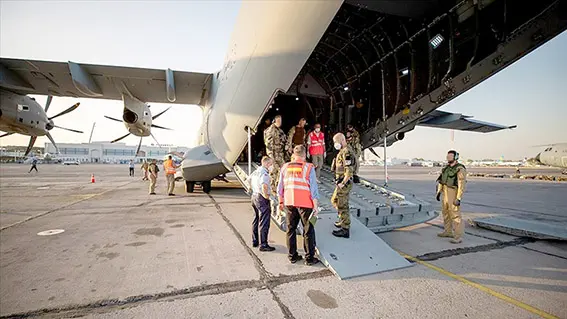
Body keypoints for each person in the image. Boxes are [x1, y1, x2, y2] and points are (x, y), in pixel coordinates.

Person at [278, 145, 320, 265]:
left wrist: (280, 202)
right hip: (305, 203)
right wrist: (315, 206)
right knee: (308, 230)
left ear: (294, 155)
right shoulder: (308, 167)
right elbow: (313, 189)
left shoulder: (284, 167)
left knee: (290, 229)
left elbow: (279, 187)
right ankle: (309, 258)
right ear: (304, 155)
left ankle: (292, 256)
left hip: (289, 202)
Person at [436, 150, 467, 244]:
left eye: (450, 156)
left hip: (453, 192)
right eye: (447, 156)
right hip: (445, 192)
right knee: (445, 213)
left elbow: (461, 185)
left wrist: (458, 198)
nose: (448, 158)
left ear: (455, 157)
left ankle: (458, 237)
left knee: (455, 215)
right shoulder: (446, 168)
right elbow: (441, 181)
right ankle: (448, 231)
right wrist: (438, 192)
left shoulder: (460, 169)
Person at [249, 156, 276, 251]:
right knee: (264, 221)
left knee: (256, 219)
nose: (272, 166)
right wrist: (266, 196)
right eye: (271, 164)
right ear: (268, 164)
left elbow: (249, 180)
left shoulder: (256, 171)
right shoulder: (264, 174)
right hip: (261, 198)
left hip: (254, 196)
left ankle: (255, 240)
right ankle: (263, 244)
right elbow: (264, 186)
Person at [331, 133, 354, 238]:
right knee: (335, 200)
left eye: (336, 142)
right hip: (340, 182)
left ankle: (345, 229)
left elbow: (349, 171)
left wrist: (343, 183)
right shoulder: (342, 151)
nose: (335, 144)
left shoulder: (346, 152)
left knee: (342, 205)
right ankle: (342, 219)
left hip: (344, 184)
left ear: (341, 140)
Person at [264, 115, 288, 198]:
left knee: (283, 170)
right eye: (278, 121)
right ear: (274, 121)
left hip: (280, 154)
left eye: (280, 121)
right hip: (274, 155)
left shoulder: (280, 131)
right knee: (273, 172)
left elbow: (284, 140)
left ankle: (280, 188)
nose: (280, 123)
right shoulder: (270, 131)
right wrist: (271, 157)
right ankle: (273, 190)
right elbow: (268, 144)